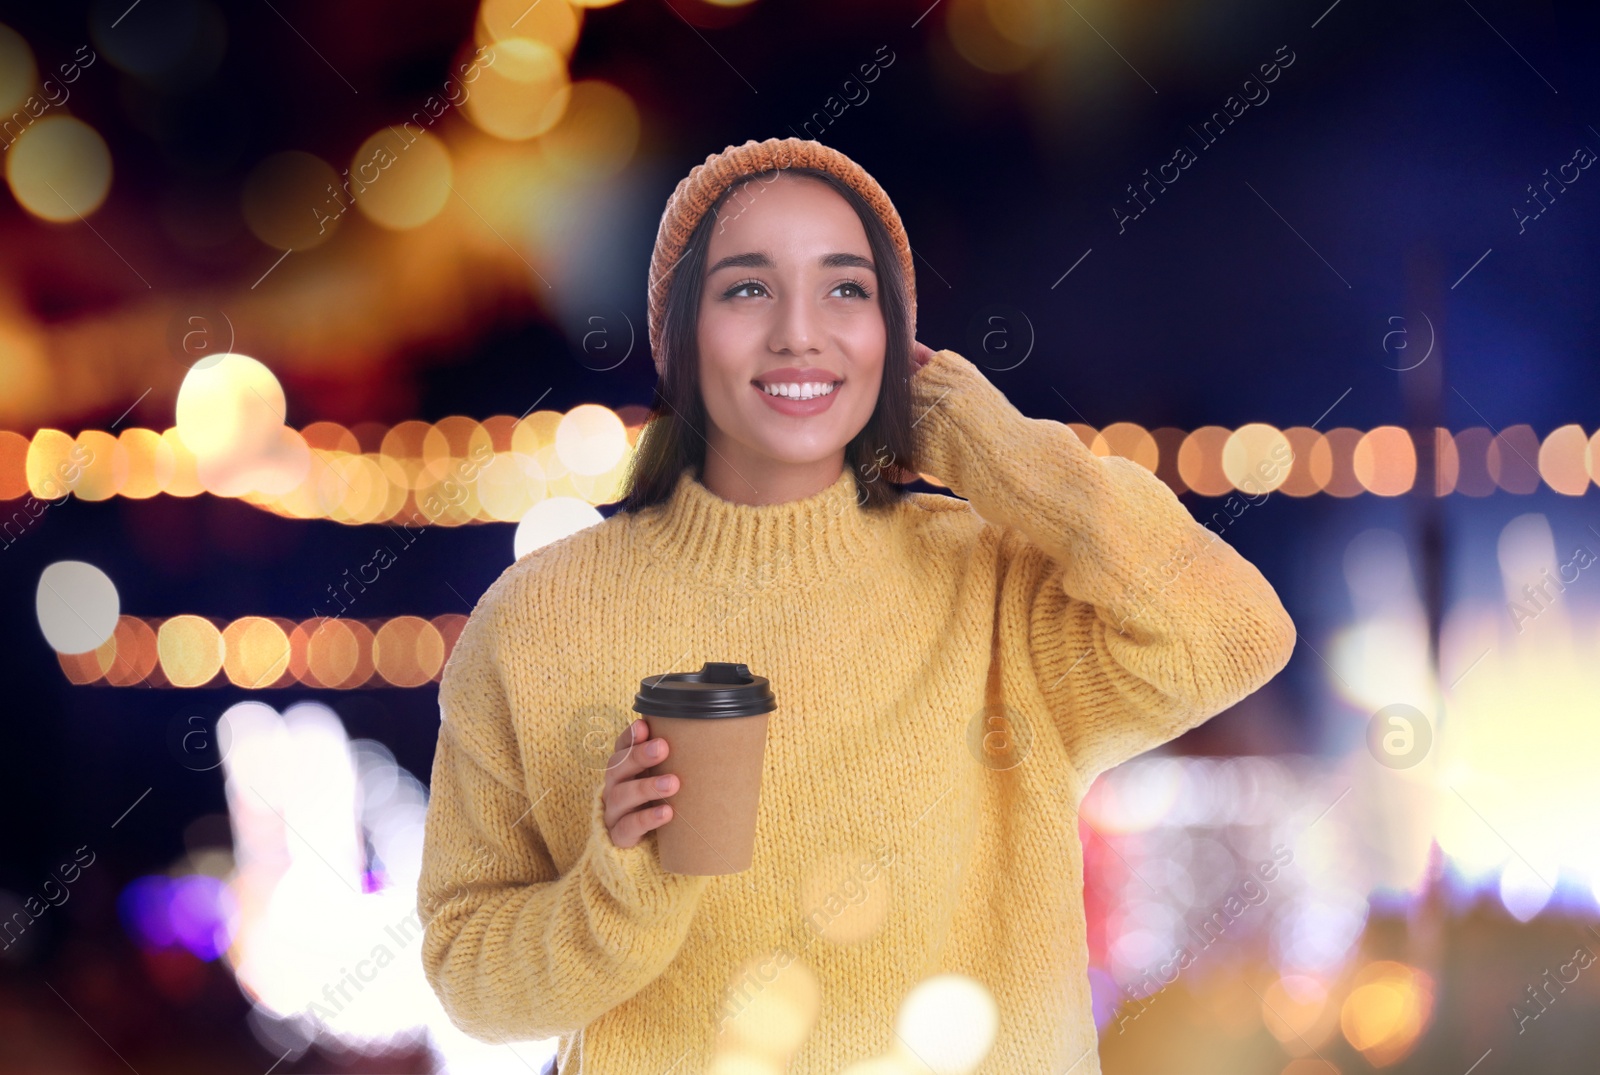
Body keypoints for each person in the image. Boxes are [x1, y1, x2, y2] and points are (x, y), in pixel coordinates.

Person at [416, 136, 1297, 1074]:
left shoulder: (992, 587)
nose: (801, 331)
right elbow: (469, 975)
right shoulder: (534, 619)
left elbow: (1233, 632)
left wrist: (975, 432)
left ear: (894, 335)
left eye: (846, 289)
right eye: (747, 288)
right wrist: (618, 884)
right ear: (676, 335)